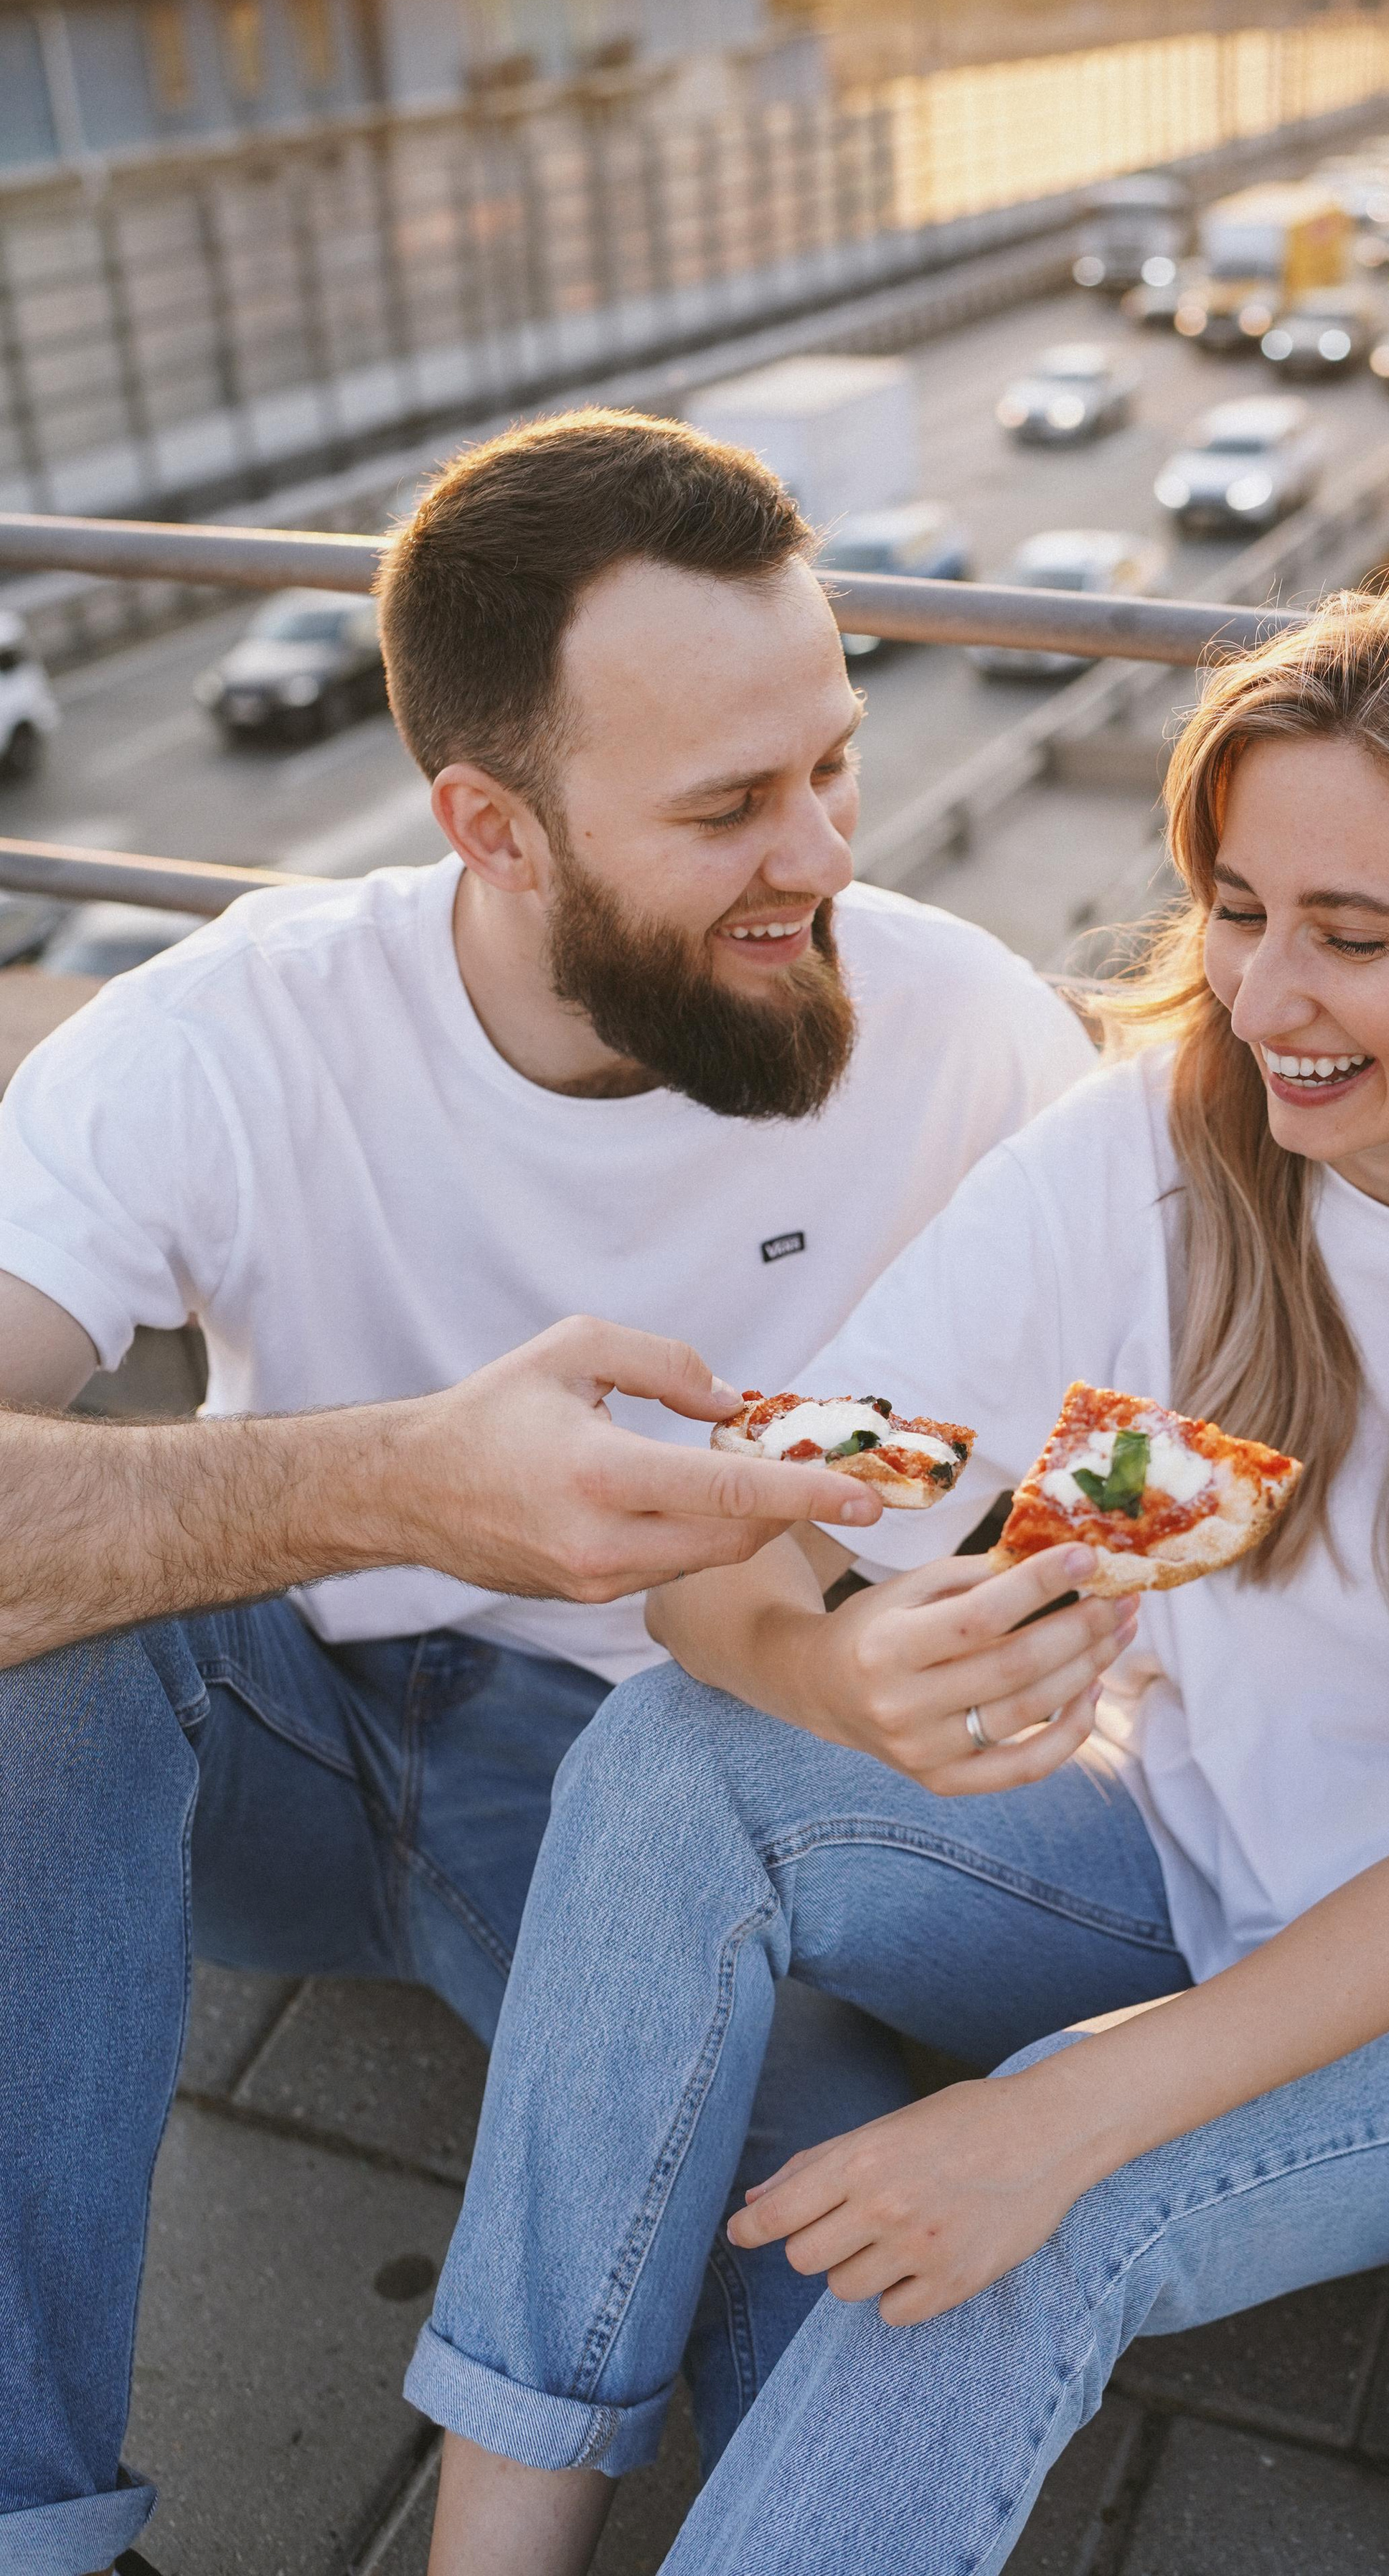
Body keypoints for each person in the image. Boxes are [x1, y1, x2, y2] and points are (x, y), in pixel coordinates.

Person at [405, 591, 1389, 2576]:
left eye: (1355, 936)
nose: (1263, 993)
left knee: (1000, 2226)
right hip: (1185, 1852)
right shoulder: (1147, 1140)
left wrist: (1054, 2117)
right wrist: (830, 1669)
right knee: (666, 1760)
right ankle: (496, 2543)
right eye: (1240, 907)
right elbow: (742, 1540)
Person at [0, 408, 1097, 2576]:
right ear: (492, 828)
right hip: (285, 1742)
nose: (827, 856)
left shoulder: (970, 1036)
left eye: (831, 765)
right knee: (43, 1655)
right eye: (729, 808)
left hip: (687, 1793)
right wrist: (406, 1485)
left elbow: (1180, 1417)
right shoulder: (232, 1032)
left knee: (859, 2253)